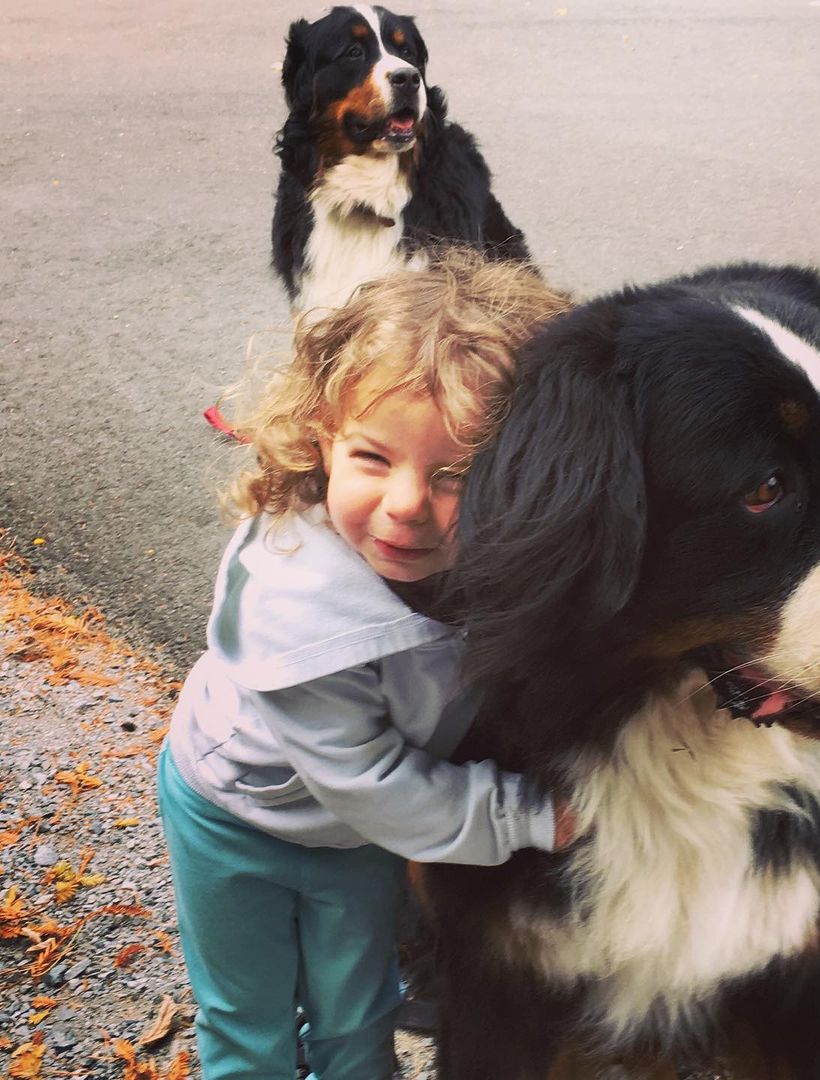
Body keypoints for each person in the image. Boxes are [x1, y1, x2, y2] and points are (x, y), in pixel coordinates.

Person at [158, 250, 572, 1080]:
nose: (407, 504)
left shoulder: (487, 555)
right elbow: (372, 784)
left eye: (458, 475)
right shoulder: (300, 613)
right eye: (373, 459)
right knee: (250, 1025)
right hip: (233, 819)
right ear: (322, 441)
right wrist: (533, 815)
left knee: (356, 1013)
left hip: (352, 839)